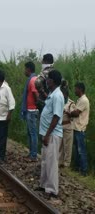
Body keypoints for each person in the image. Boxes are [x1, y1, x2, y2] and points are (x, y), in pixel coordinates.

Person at [36, 70, 64, 199]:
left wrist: (47, 134)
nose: (46, 81)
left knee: (51, 162)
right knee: (45, 160)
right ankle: (44, 185)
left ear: (53, 81)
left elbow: (56, 117)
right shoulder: (52, 94)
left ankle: (52, 190)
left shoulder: (58, 95)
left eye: (48, 79)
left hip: (52, 134)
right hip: (47, 134)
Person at [68, 82, 89, 176]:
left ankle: (84, 171)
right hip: (76, 128)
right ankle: (77, 168)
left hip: (80, 128)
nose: (75, 90)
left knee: (81, 150)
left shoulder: (84, 100)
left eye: (76, 88)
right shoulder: (80, 99)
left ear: (80, 89)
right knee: (77, 150)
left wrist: (69, 112)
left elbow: (76, 113)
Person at [21, 62, 39, 162]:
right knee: (30, 133)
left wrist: (36, 107)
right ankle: (31, 153)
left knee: (33, 133)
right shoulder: (32, 79)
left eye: (25, 69)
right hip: (30, 110)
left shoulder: (32, 80)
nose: (24, 71)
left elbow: (36, 95)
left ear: (28, 69)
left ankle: (33, 155)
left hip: (32, 111)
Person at [59, 81, 75, 168]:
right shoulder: (60, 101)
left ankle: (67, 163)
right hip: (60, 126)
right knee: (60, 145)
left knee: (67, 146)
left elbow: (73, 116)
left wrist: (69, 113)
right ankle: (59, 161)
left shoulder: (71, 103)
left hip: (68, 126)